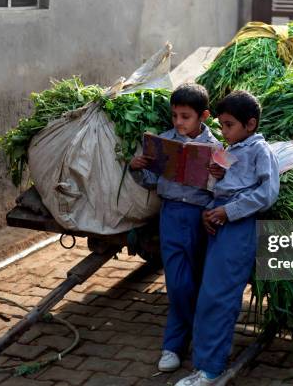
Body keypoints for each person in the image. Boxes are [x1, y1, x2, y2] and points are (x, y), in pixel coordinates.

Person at [175, 90, 280, 386]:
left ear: (251, 124)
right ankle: (205, 363)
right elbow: (217, 188)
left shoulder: (261, 151)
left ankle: (210, 370)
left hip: (239, 228)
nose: (224, 131)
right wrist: (209, 209)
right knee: (209, 293)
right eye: (221, 125)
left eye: (230, 124)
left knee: (218, 297)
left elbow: (266, 193)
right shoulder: (226, 149)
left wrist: (228, 212)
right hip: (219, 226)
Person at [129, 83, 224, 373]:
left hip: (203, 218)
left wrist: (220, 176)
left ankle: (190, 342)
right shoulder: (162, 144)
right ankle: (175, 344)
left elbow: (226, 188)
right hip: (171, 214)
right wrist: (136, 167)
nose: (179, 122)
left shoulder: (217, 148)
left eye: (185, 117)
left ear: (203, 116)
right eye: (175, 116)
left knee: (197, 281)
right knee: (178, 283)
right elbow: (151, 181)